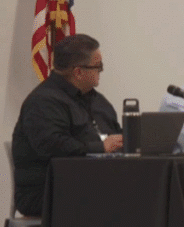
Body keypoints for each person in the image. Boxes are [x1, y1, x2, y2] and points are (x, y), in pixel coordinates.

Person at [11, 34, 123, 216]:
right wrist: (100, 147)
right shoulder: (43, 101)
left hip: (91, 183)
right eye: (98, 67)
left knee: (144, 190)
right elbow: (53, 147)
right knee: (123, 199)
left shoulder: (97, 100)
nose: (101, 72)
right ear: (78, 72)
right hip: (47, 191)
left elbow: (114, 134)